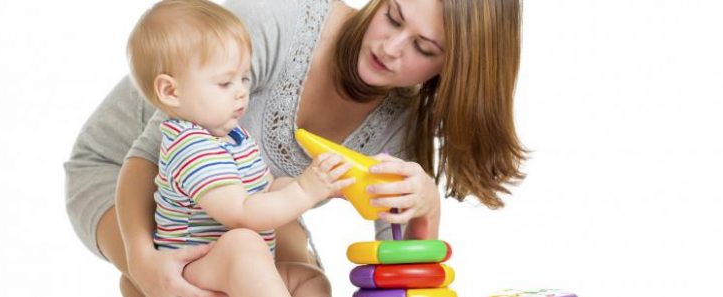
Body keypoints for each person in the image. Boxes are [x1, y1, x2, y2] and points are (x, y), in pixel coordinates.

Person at [64, 0, 525, 296]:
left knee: (301, 277)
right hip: (121, 175)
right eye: (393, 16)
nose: (390, 46)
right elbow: (145, 157)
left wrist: (425, 211)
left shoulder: (401, 126)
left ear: (454, 70)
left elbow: (402, 274)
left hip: (248, 204)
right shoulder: (274, 25)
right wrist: (144, 264)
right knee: (225, 266)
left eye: (423, 47)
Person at [122, 0, 353, 296]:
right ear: (171, 91)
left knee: (310, 279)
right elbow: (242, 213)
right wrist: (306, 190)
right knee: (244, 241)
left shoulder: (233, 137)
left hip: (238, 268)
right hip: (193, 271)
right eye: (224, 83)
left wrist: (320, 183)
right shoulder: (191, 146)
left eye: (244, 77)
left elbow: (267, 191)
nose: (242, 91)